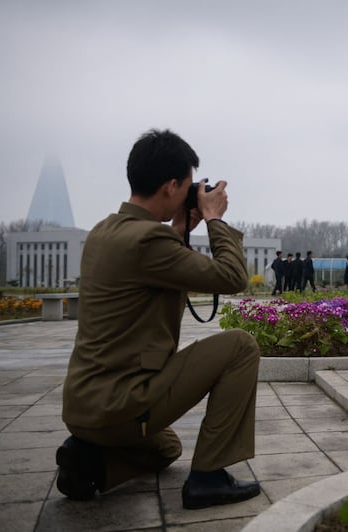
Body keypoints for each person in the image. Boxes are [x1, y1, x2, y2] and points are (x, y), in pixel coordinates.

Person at [57, 129, 261, 510]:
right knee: (240, 346)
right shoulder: (149, 243)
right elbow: (232, 278)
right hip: (121, 404)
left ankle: (90, 463)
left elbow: (152, 263)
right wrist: (215, 220)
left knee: (167, 447)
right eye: (186, 187)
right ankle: (209, 479)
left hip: (83, 407)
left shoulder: (106, 231)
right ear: (171, 186)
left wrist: (181, 228)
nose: (189, 195)